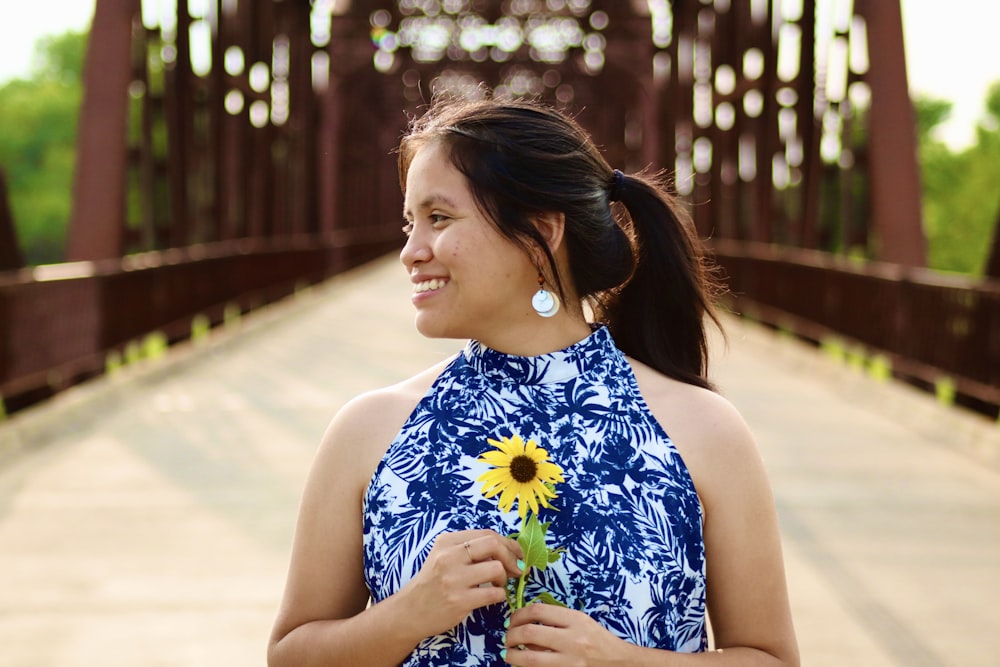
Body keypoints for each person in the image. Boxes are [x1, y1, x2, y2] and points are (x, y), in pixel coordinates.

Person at [267, 95, 799, 667]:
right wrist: (406, 615)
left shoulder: (700, 429)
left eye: (439, 218)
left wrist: (622, 662)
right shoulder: (370, 430)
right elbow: (290, 655)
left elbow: (771, 658)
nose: (410, 252)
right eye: (409, 222)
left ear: (541, 235)